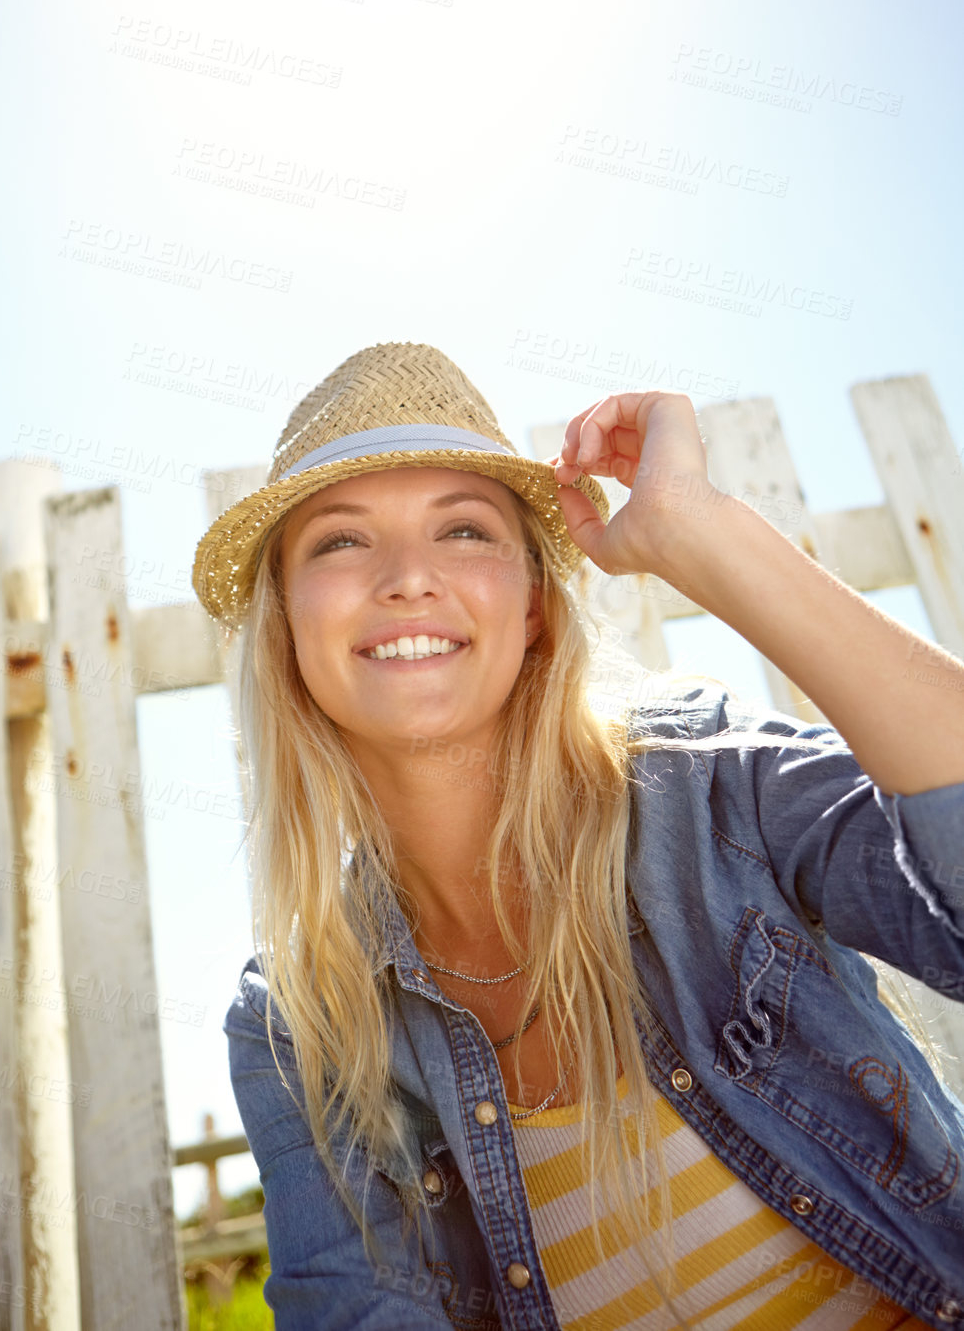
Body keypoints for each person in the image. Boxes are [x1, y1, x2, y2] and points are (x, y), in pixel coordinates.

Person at [192, 340, 964, 1330]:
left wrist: (705, 535)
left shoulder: (710, 788)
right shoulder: (293, 1026)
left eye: (462, 531)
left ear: (535, 612)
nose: (407, 578)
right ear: (288, 631)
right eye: (340, 542)